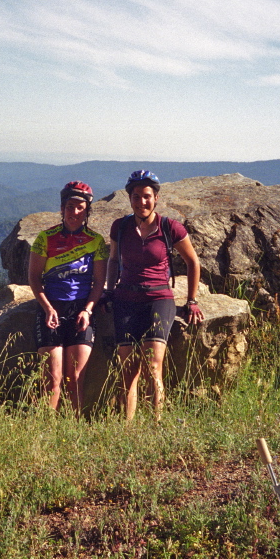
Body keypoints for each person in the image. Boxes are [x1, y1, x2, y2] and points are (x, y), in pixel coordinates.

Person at [106, 170, 204, 421]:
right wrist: (109, 291)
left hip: (158, 299)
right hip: (126, 299)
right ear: (129, 199)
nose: (142, 202)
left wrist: (191, 301)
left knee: (153, 366)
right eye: (136, 196)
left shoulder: (169, 227)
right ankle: (127, 431)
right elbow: (113, 260)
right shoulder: (120, 227)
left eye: (147, 196)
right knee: (128, 370)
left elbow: (193, 261)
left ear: (156, 198)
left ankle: (155, 426)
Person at [28, 181, 108, 414]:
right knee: (52, 381)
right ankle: (47, 432)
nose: (74, 212)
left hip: (80, 311)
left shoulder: (96, 241)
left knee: (75, 379)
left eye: (80, 207)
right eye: (70, 207)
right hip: (50, 310)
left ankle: (73, 432)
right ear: (62, 208)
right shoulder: (45, 238)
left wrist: (88, 310)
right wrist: (47, 308)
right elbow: (34, 277)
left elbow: (99, 283)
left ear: (87, 211)